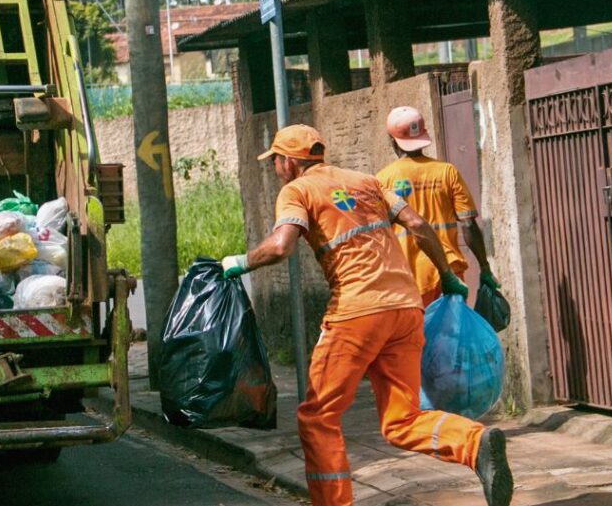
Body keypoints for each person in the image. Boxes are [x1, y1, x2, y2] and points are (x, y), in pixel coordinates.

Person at [220, 124, 513, 506]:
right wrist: (446, 275)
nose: (275, 167)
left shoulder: (297, 190)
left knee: (318, 416)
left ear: (289, 162)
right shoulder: (366, 182)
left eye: (275, 160)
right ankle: (474, 443)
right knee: (401, 420)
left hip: (356, 312)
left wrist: (240, 262)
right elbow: (418, 225)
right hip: (405, 308)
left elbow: (281, 246)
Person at [376, 106, 500, 307]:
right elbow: (468, 224)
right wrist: (484, 267)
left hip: (410, 277)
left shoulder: (382, 179)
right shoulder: (447, 172)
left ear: (392, 140)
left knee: (420, 329)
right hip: (450, 273)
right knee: (452, 327)